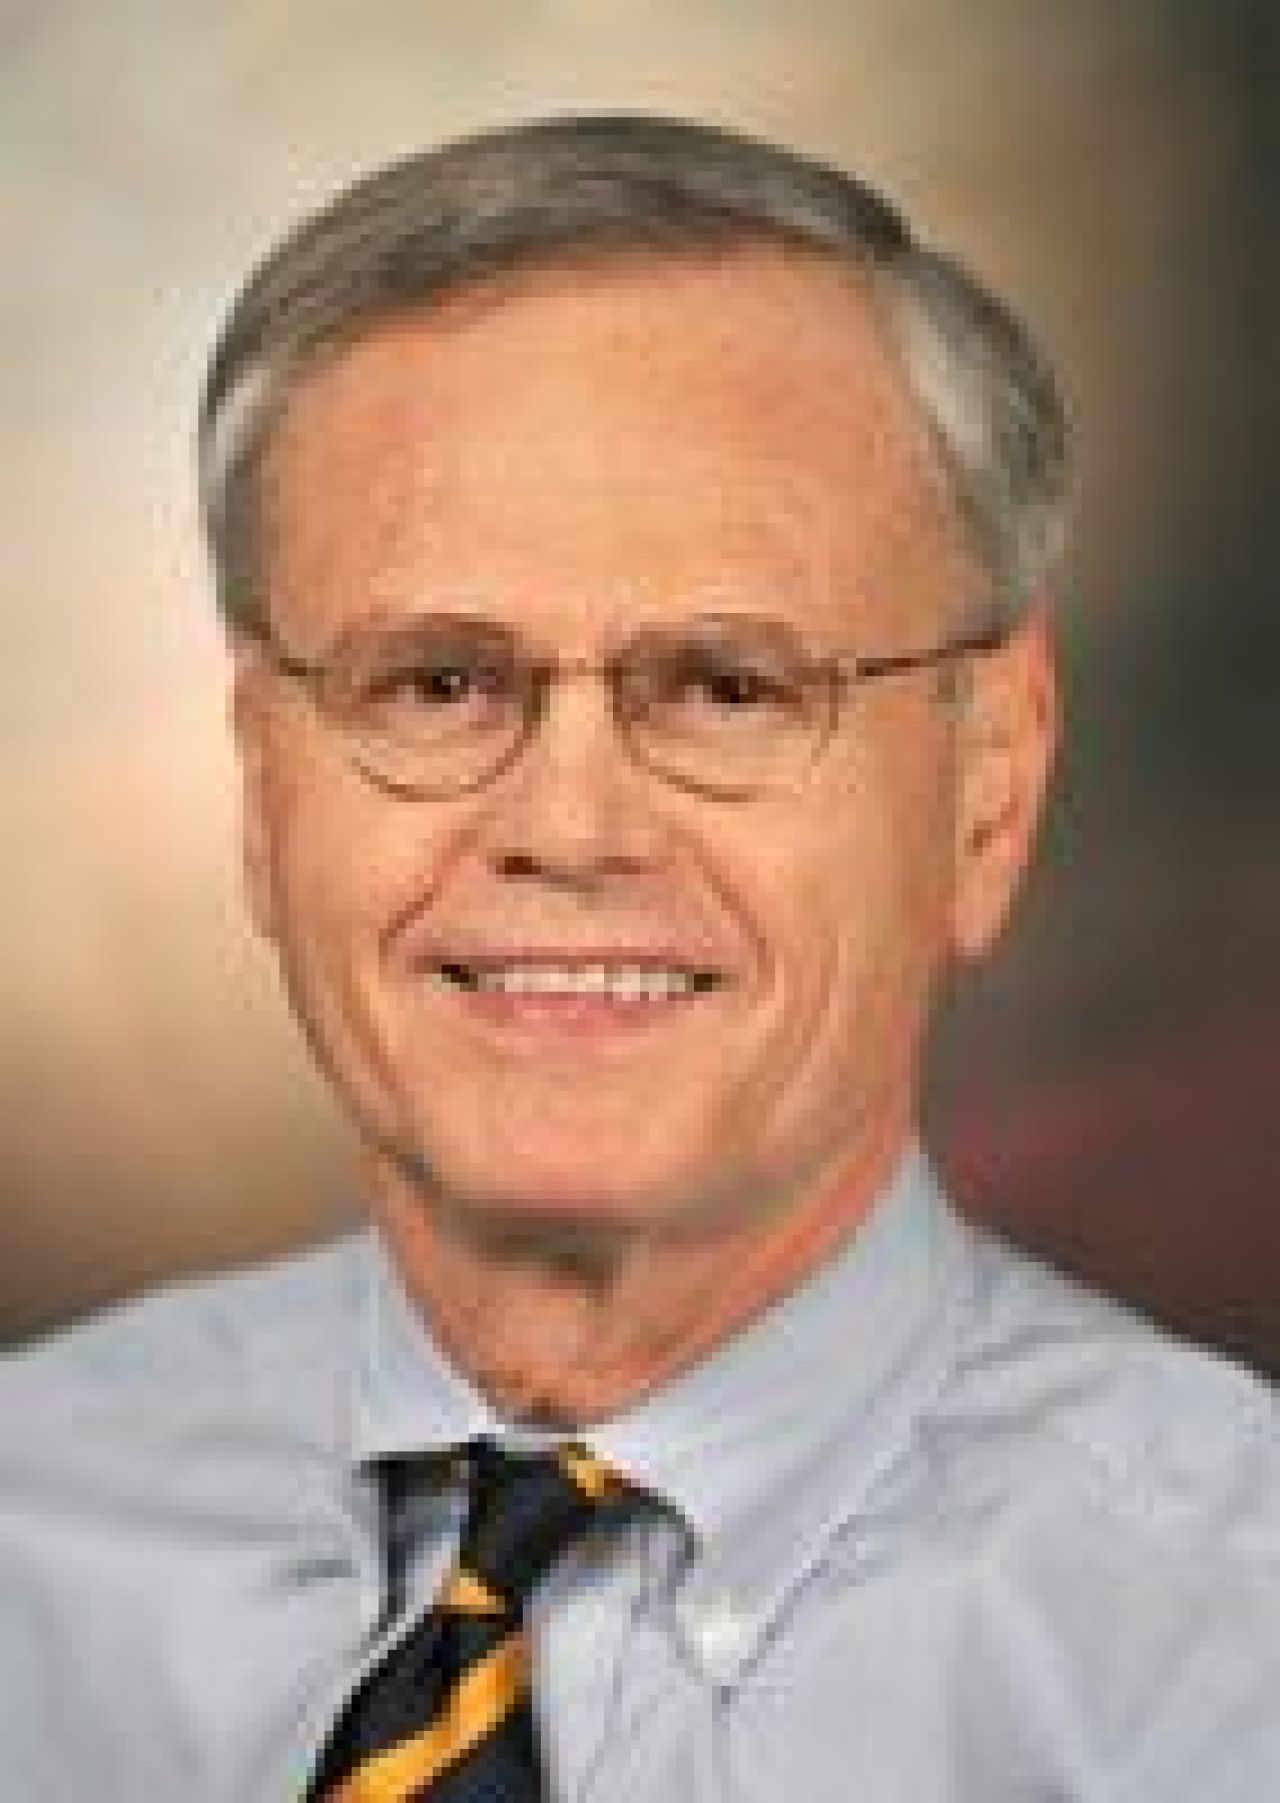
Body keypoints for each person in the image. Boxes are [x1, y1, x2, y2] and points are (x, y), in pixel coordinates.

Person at [1, 114, 1275, 1803]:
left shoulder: (1228, 1645)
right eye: (439, 683)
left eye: (730, 686)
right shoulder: (30, 1522)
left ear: (990, 785)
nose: (573, 826)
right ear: (260, 781)